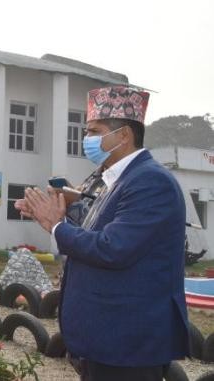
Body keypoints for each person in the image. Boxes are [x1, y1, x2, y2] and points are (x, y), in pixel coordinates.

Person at [16, 86, 188, 381]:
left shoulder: (150, 182)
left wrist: (56, 226)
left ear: (123, 135)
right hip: (106, 337)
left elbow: (112, 248)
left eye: (94, 132)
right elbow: (97, 229)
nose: (87, 140)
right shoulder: (113, 180)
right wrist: (66, 208)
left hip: (127, 340)